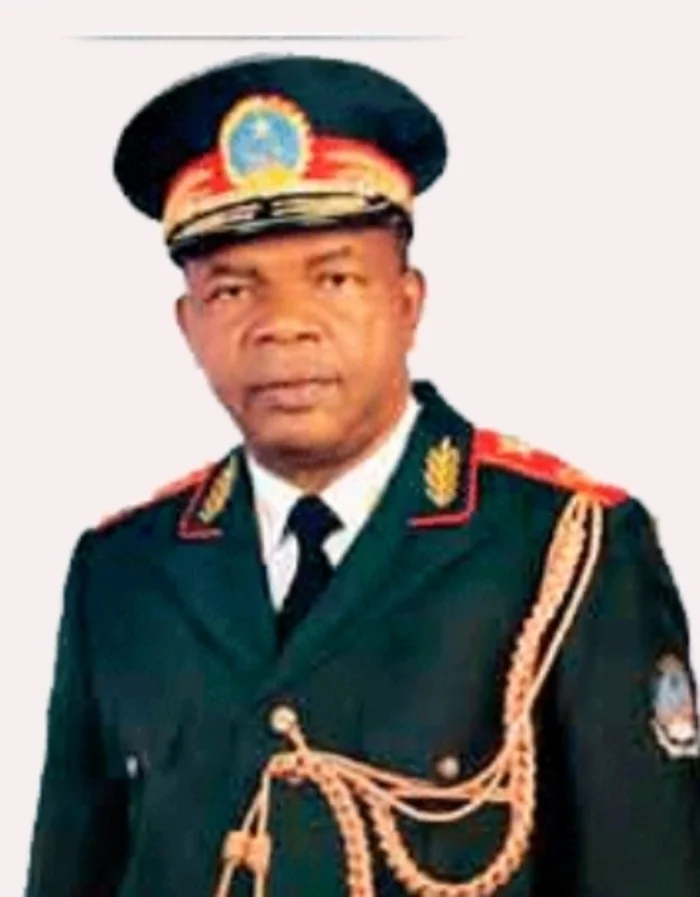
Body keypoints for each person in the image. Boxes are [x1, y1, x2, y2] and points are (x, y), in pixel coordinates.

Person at [25, 54, 700, 897]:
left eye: (335, 278)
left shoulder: (566, 550)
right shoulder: (121, 570)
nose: (283, 327)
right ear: (187, 324)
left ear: (408, 303)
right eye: (232, 291)